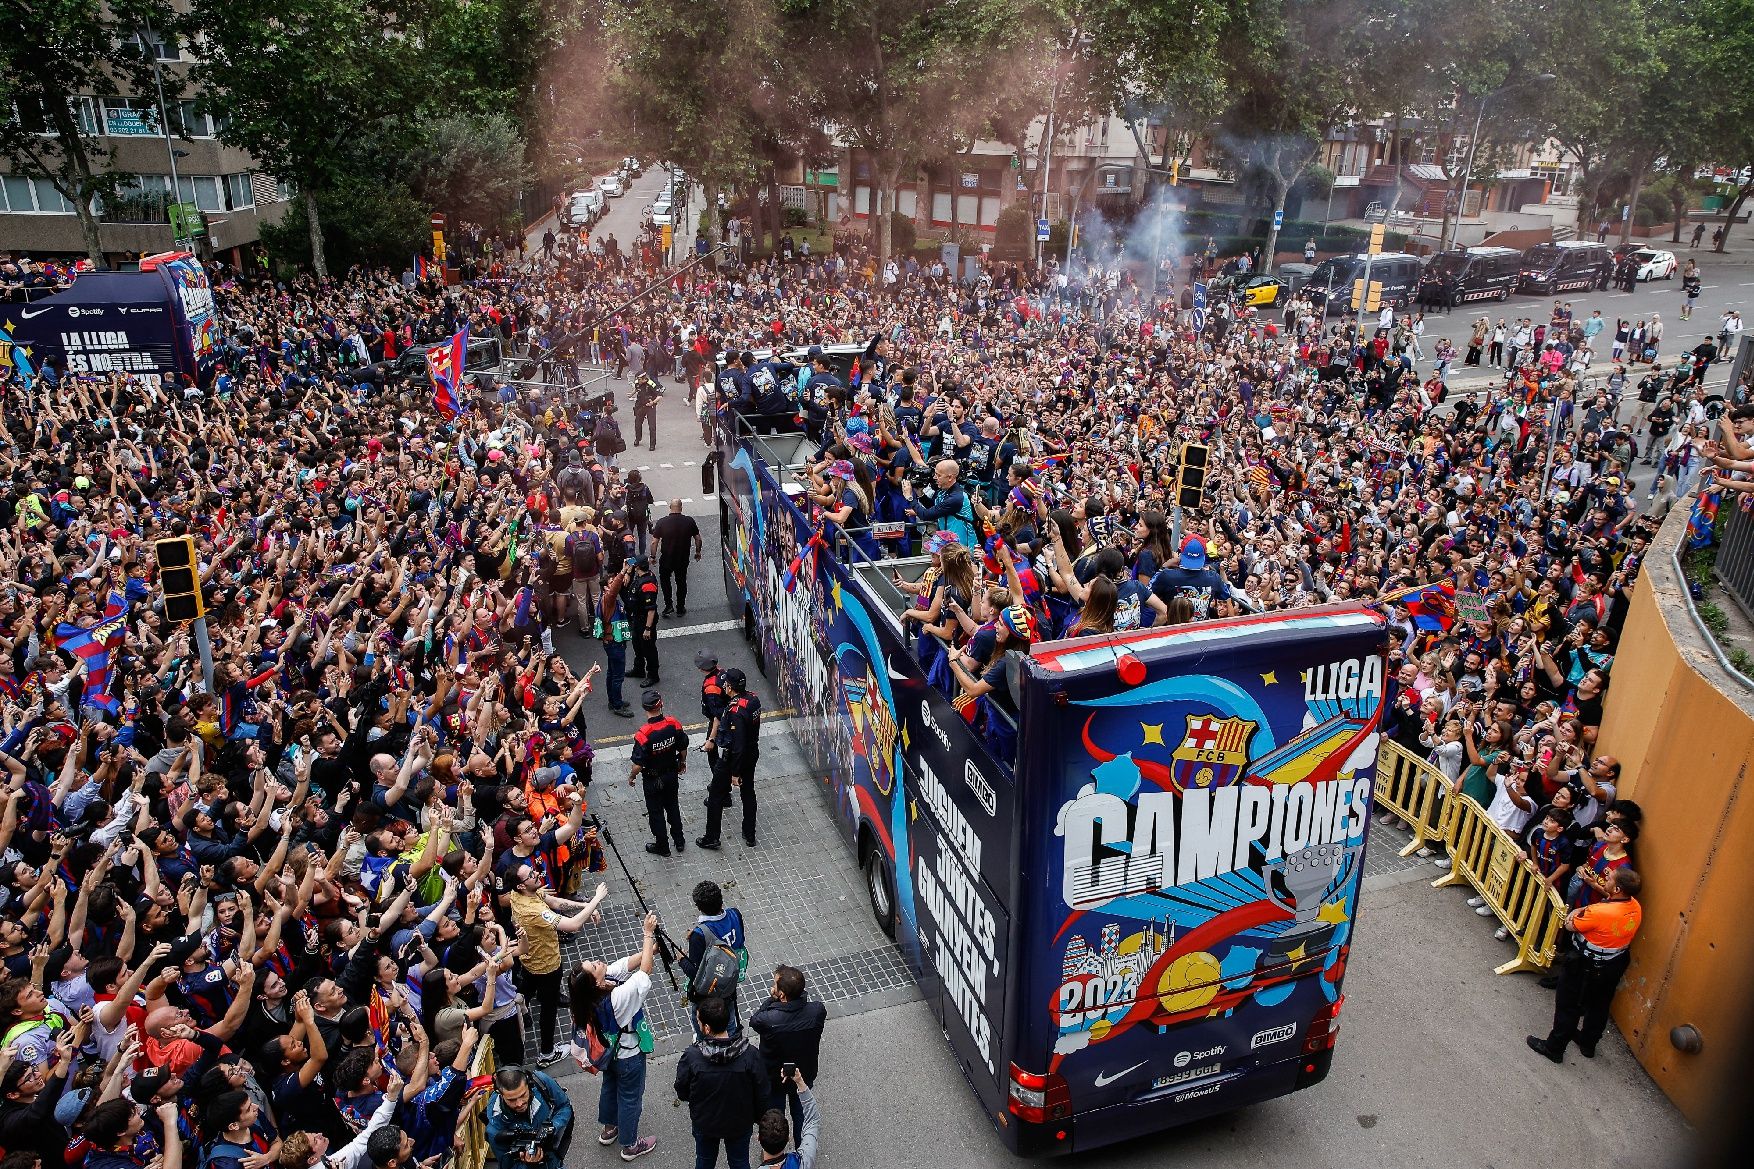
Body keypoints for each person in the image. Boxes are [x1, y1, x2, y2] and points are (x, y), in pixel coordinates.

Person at [569, 912, 662, 1162]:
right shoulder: (615, 999)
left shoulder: (585, 999)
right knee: (630, 1097)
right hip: (628, 1055)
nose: (599, 962)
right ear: (595, 982)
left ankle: (609, 1129)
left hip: (608, 1054)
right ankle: (630, 1144)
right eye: (595, 966)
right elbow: (643, 973)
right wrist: (647, 934)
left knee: (610, 1087)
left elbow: (629, 964)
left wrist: (651, 949)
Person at [1527, 867, 1643, 1062]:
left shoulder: (1599, 912)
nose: (1606, 878)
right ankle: (1588, 1043)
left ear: (1617, 890)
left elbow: (1570, 924)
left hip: (1585, 963)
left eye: (1611, 878)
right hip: (1614, 963)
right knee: (1600, 1004)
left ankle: (1554, 1048)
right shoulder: (1635, 907)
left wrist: (1577, 910)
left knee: (1569, 1004)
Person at [507, 864, 610, 1065]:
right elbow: (572, 926)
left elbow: (553, 901)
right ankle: (546, 1052)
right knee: (548, 1007)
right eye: (530, 875)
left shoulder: (520, 894)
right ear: (521, 885)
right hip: (546, 963)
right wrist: (596, 899)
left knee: (526, 988)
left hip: (530, 959)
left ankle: (517, 1006)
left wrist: (584, 906)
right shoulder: (533, 910)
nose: (536, 873)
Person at [673, 995, 767, 1169]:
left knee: (704, 1161)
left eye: (699, 1021)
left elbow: (682, 1089)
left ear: (707, 1028)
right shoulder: (749, 1054)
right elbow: (762, 1091)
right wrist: (759, 1118)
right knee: (739, 1163)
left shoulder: (693, 1057)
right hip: (740, 1122)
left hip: (706, 1122)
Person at [748, 966, 825, 1147]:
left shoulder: (769, 1020)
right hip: (803, 1075)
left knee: (776, 1117)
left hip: (775, 1078)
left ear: (781, 994)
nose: (772, 986)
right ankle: (801, 1150)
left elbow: (755, 1019)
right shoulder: (817, 1012)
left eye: (775, 984)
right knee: (801, 1114)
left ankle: (777, 1151)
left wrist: (771, 998)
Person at [700, 669, 761, 849]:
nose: (724, 687)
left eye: (726, 684)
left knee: (715, 795)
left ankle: (711, 837)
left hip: (734, 758)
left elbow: (738, 745)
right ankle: (749, 833)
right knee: (748, 792)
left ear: (730, 687)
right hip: (752, 753)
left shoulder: (735, 711)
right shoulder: (753, 699)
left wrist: (734, 773)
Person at [678, 881, 748, 1035]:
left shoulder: (700, 935)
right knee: (728, 1018)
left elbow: (695, 973)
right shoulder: (735, 913)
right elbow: (740, 942)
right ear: (721, 900)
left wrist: (681, 959)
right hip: (729, 982)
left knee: (705, 1027)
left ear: (699, 907)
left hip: (708, 993)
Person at [629, 690, 689, 855]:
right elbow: (683, 746)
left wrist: (632, 776)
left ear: (644, 708)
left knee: (656, 813)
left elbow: (637, 764)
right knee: (673, 807)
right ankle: (679, 841)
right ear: (661, 704)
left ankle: (663, 847)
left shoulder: (643, 734)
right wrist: (682, 762)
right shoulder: (673, 724)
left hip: (652, 779)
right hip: (671, 774)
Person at [484, 1065, 574, 1169]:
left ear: (529, 1085)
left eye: (522, 1095)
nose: (519, 1103)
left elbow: (564, 1106)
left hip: (554, 1160)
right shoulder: (495, 1130)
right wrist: (529, 1165)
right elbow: (507, 1166)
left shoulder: (541, 1082)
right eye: (511, 1100)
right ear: (500, 1093)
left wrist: (553, 1127)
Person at [755, 1069, 821, 1169]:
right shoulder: (804, 1159)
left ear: (758, 1138)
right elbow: (812, 1119)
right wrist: (799, 1082)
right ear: (788, 1138)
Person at [652, 499, 703, 617]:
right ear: (681, 507)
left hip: (666, 559)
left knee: (665, 581)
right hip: (682, 558)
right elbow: (698, 538)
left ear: (670, 507)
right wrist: (698, 551)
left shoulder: (662, 522)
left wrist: (653, 556)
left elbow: (654, 542)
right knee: (681, 582)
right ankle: (680, 607)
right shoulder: (689, 521)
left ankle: (668, 605)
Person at [626, 554, 662, 685]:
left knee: (649, 648)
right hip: (637, 618)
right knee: (637, 645)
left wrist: (647, 629)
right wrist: (627, 571)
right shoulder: (640, 575)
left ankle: (653, 674)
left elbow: (651, 609)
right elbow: (628, 561)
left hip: (645, 621)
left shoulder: (648, 584)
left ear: (638, 567)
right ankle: (639, 668)